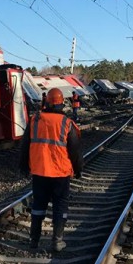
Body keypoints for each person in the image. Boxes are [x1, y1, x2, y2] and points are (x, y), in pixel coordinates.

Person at [20, 88, 84, 252]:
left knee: (38, 205)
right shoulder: (66, 123)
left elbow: (24, 146)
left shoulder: (35, 120)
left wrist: (23, 166)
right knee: (60, 205)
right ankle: (57, 241)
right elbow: (75, 151)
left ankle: (34, 241)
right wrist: (78, 169)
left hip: (40, 172)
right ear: (62, 104)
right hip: (60, 173)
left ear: (46, 102)